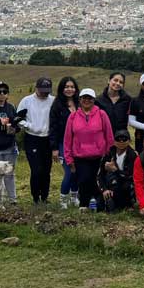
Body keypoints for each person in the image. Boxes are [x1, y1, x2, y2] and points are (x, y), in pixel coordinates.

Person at [63, 88, 114, 208]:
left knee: (97, 180)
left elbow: (109, 136)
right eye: (84, 98)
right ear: (80, 100)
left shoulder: (102, 114)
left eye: (89, 98)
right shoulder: (73, 116)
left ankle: (99, 204)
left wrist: (110, 156)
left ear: (94, 100)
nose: (87, 100)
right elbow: (67, 139)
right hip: (80, 156)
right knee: (83, 180)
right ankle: (84, 205)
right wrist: (69, 159)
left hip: (99, 156)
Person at [17, 77, 55, 204]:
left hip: (47, 139)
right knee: (36, 170)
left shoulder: (53, 101)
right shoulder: (26, 101)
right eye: (42, 91)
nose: (44, 93)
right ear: (36, 88)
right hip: (32, 138)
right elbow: (18, 119)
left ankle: (44, 197)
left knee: (46, 170)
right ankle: (35, 197)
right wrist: (29, 126)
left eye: (47, 91)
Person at [49, 76, 80, 209]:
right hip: (63, 143)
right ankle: (63, 199)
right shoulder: (57, 105)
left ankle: (74, 197)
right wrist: (54, 148)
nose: (69, 89)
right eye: (66, 87)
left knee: (77, 171)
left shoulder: (80, 103)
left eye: (72, 87)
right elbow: (53, 127)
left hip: (78, 143)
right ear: (62, 89)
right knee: (69, 171)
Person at [98, 130, 137, 213]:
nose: (121, 141)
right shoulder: (108, 154)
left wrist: (115, 170)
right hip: (110, 185)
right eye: (118, 139)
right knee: (100, 204)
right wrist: (104, 189)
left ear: (129, 141)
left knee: (128, 185)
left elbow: (131, 176)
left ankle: (128, 204)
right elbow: (100, 175)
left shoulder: (133, 155)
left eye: (124, 139)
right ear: (114, 141)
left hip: (125, 186)